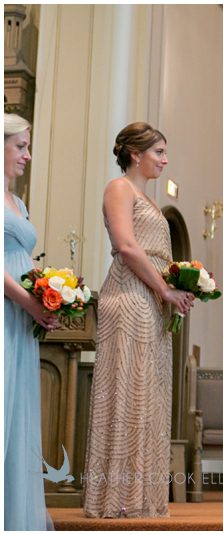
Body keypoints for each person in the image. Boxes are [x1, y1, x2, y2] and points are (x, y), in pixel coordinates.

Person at [83, 122, 195, 518]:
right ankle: (115, 498)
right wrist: (164, 290)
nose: (164, 159)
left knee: (148, 392)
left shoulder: (145, 197)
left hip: (150, 298)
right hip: (129, 296)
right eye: (159, 152)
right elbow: (127, 245)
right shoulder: (119, 188)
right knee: (128, 389)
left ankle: (140, 499)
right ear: (135, 154)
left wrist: (178, 284)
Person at [4, 113, 59, 530]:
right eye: (20, 146)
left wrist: (47, 294)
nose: (27, 155)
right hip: (8, 308)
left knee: (19, 406)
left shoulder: (18, 203)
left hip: (23, 313)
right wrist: (27, 300)